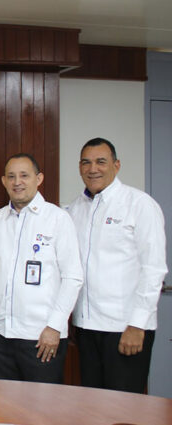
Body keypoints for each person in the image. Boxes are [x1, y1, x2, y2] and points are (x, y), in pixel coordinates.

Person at [65, 138, 167, 393]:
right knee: (92, 408)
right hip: (87, 329)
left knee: (124, 410)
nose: (93, 169)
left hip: (125, 328)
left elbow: (153, 269)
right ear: (79, 167)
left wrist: (137, 324)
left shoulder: (140, 204)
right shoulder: (74, 210)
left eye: (101, 161)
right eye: (86, 162)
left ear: (116, 165)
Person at [0, 153, 83, 383]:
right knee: (4, 411)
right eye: (11, 176)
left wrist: (55, 327)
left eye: (24, 176)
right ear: (3, 181)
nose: (17, 182)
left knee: (41, 413)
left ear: (38, 179)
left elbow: (72, 277)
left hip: (41, 337)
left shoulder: (58, 219)